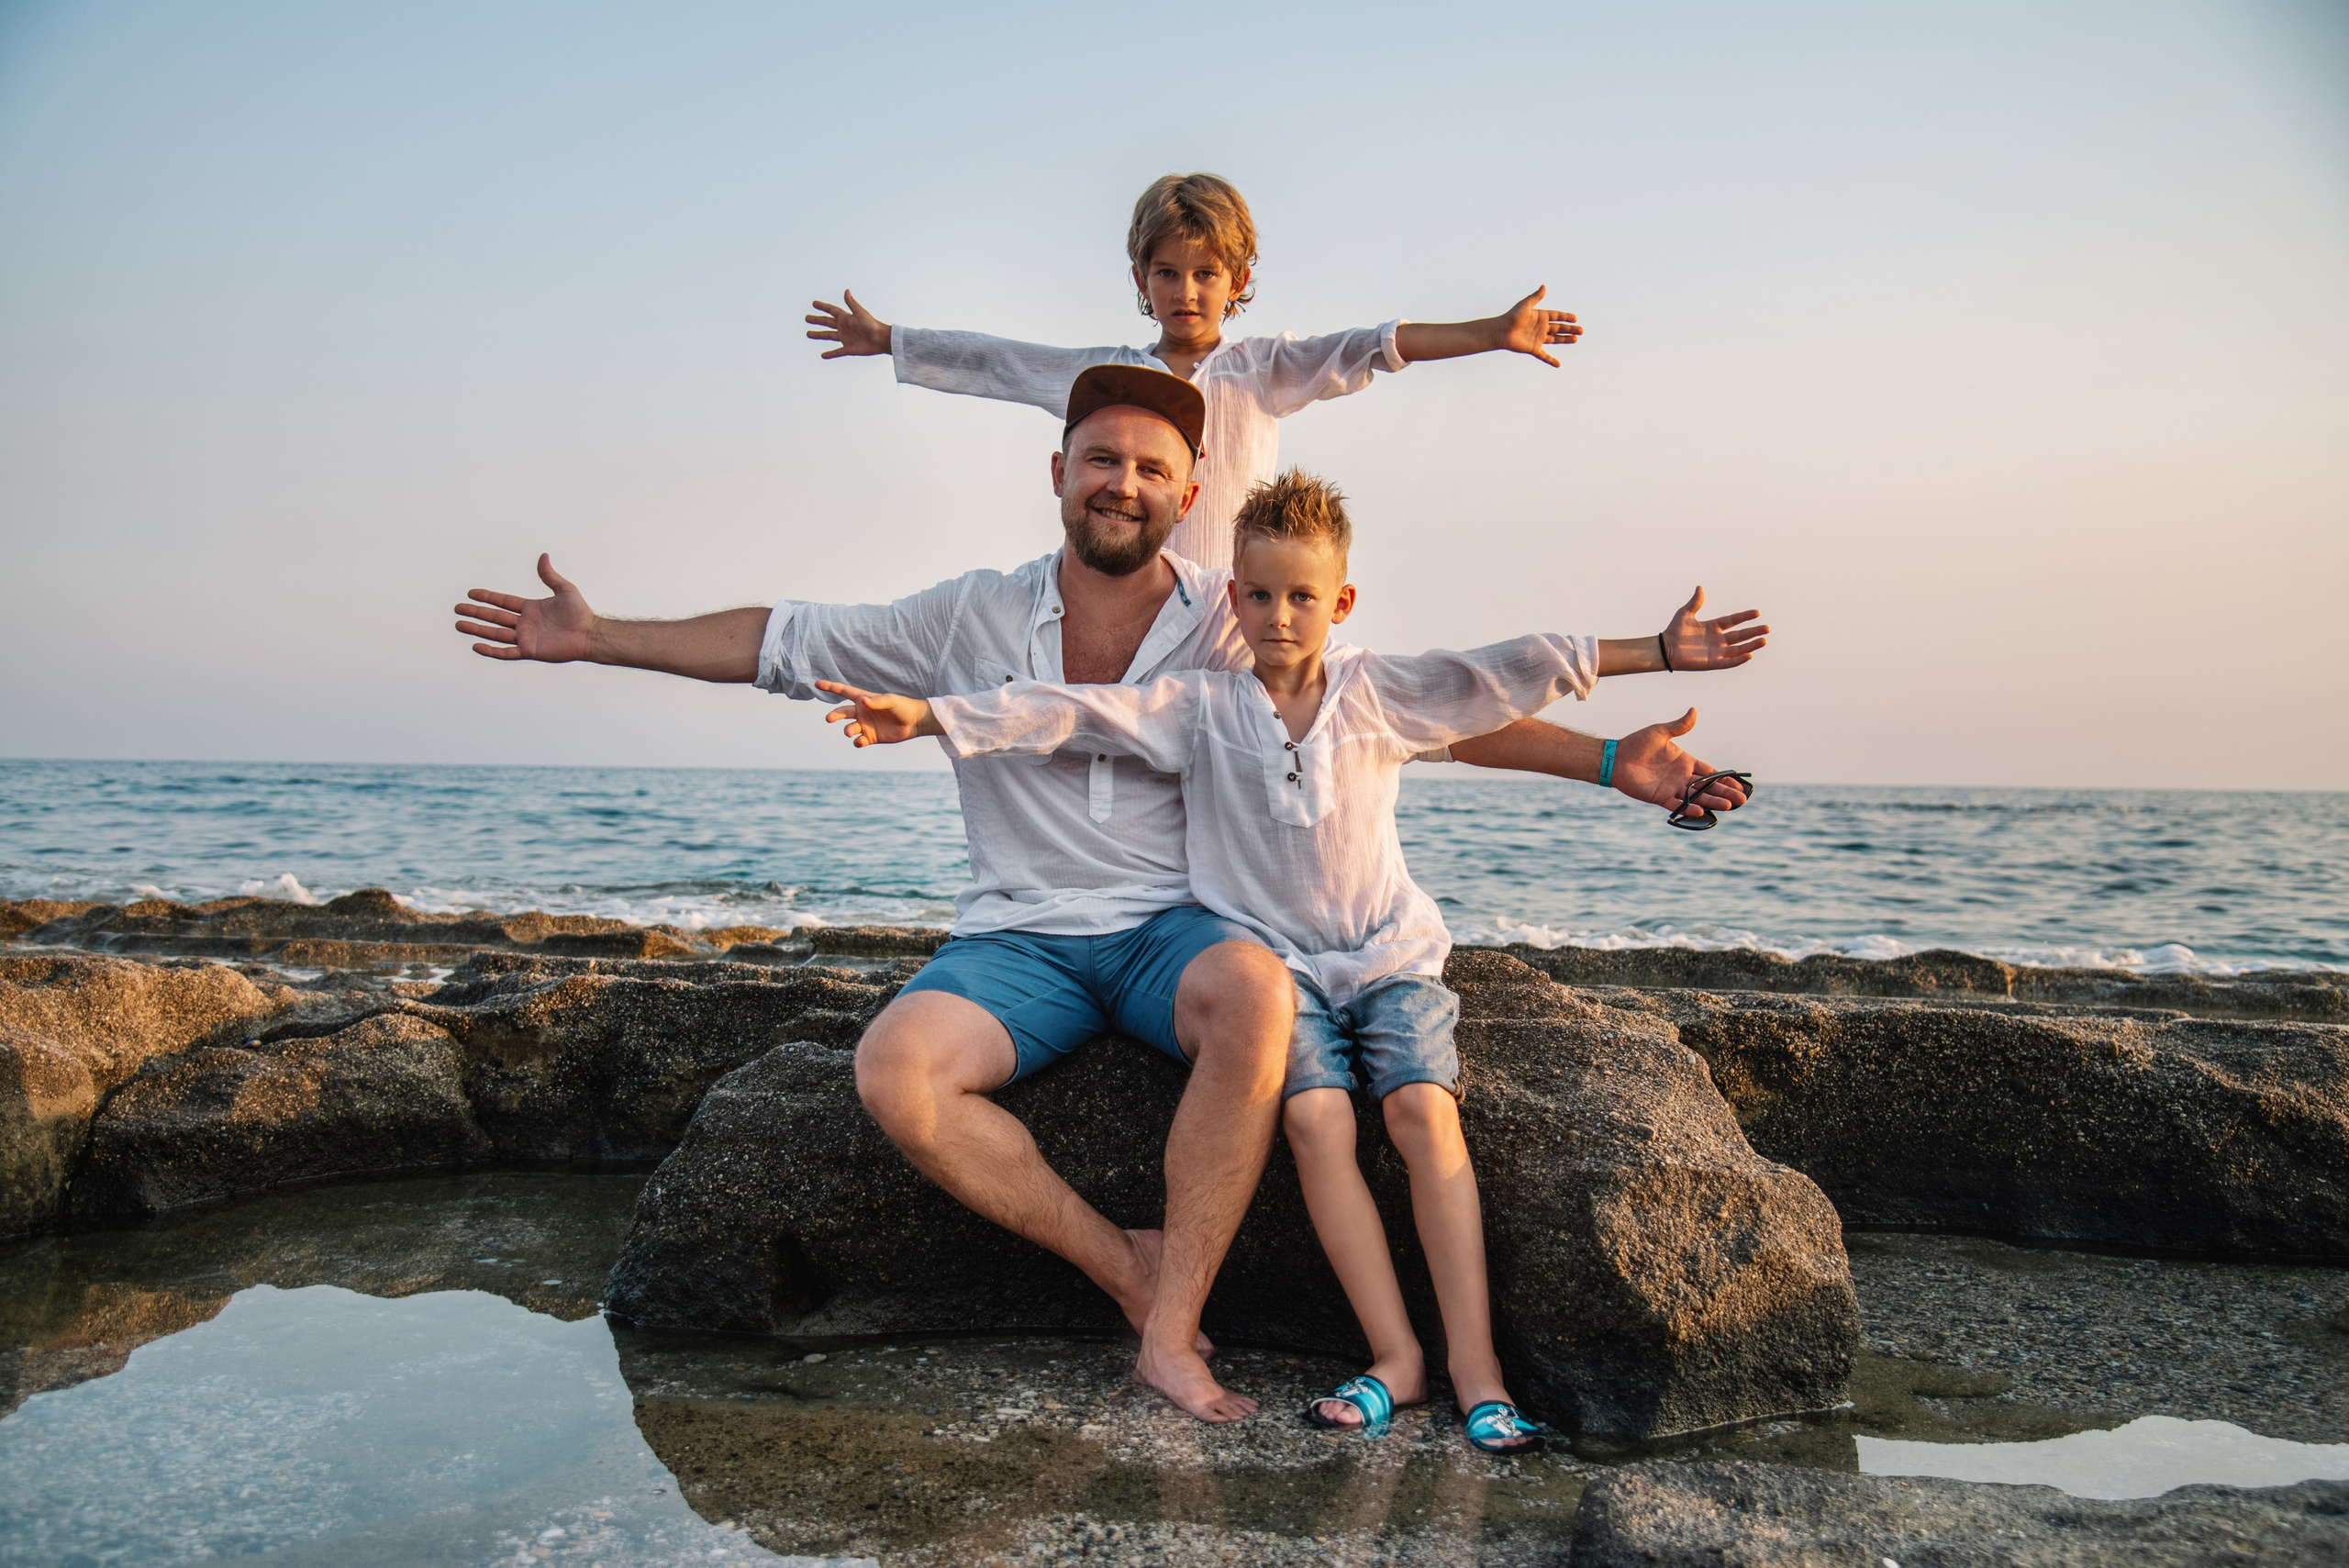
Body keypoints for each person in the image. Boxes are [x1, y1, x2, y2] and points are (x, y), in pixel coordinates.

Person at [451, 363, 1756, 1423]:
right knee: (894, 1072)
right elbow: (775, 642)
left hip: (1169, 932)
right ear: (1059, 472)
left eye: (1150, 467)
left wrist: (1605, 760)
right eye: (1100, 459)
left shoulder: (1234, 614)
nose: (1122, 483)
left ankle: (1170, 1333)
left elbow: (1398, 713)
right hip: (1014, 937)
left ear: (1189, 489)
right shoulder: (964, 613)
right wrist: (600, 634)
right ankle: (1121, 1263)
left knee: (1256, 994)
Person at [812, 468, 1768, 1452]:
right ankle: (1395, 1355)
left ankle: (1476, 1366)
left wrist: (1653, 655)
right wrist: (933, 716)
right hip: (1285, 972)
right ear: (1233, 599)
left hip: (1389, 954)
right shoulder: (1199, 702)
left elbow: (1500, 671)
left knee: (1420, 1111)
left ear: (1340, 602)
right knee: (1314, 1118)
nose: (1278, 615)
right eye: (1259, 595)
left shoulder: (1378, 691)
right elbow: (1072, 710)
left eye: (1302, 596)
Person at [806, 171, 1582, 569]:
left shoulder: (1264, 368)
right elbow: (1001, 362)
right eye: (1169, 273)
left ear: (1237, 279)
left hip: (1231, 609)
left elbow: (1377, 343)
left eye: (1207, 273)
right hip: (1129, 595)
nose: (1187, 292)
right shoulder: (1105, 376)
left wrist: (1492, 331)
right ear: (1142, 278)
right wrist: (892, 339)